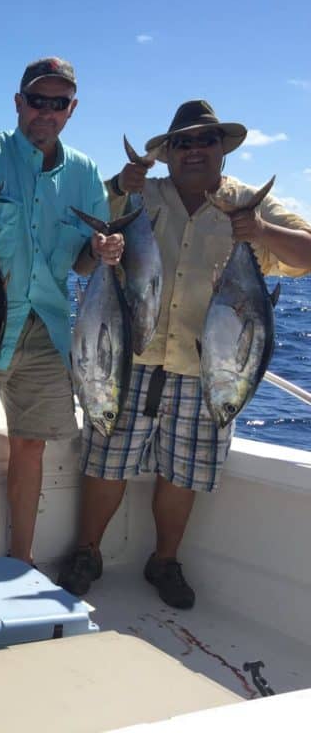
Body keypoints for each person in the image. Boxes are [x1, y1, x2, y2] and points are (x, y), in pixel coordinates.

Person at [58, 100, 311, 608]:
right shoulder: (141, 197)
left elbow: (306, 252)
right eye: (184, 142)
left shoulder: (250, 204)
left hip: (207, 368)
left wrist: (259, 232)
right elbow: (83, 253)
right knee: (106, 461)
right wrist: (119, 188)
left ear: (222, 148)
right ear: (168, 153)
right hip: (132, 358)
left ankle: (164, 560)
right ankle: (88, 551)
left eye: (206, 140)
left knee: (185, 472)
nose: (195, 150)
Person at [0, 57, 123, 566]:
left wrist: (102, 253)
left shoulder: (85, 174)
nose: (46, 112)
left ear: (71, 110)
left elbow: (82, 263)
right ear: (19, 102)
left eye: (58, 104)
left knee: (31, 446)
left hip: (49, 328)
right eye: (38, 101)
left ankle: (22, 561)